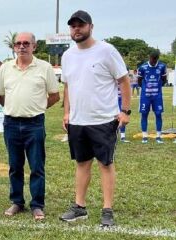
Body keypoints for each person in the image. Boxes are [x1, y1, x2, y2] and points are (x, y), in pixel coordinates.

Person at [59, 10, 131, 227]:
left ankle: (107, 209)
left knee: (105, 164)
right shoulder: (68, 55)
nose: (76, 29)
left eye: (81, 25)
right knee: (82, 164)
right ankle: (79, 207)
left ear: (90, 26)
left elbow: (124, 81)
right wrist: (66, 112)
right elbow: (68, 85)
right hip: (78, 121)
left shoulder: (107, 51)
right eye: (73, 26)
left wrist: (125, 112)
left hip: (103, 119)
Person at [0, 32, 60, 220]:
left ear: (34, 46)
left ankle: (37, 204)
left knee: (37, 166)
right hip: (11, 123)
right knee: (15, 166)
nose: (21, 46)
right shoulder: (5, 68)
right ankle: (17, 201)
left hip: (35, 123)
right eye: (18, 44)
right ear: (14, 47)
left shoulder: (45, 67)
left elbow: (55, 96)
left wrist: (38, 107)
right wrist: (11, 106)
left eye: (26, 43)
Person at [138, 51, 167, 144]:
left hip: (157, 96)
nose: (153, 62)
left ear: (157, 59)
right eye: (151, 60)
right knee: (144, 115)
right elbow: (139, 80)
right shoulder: (143, 67)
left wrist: (157, 88)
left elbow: (164, 80)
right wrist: (145, 89)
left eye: (155, 60)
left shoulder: (162, 66)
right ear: (149, 57)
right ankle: (144, 136)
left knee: (158, 114)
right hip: (145, 96)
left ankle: (158, 136)